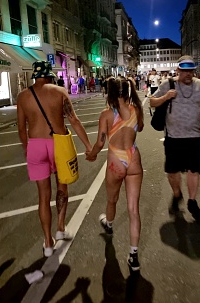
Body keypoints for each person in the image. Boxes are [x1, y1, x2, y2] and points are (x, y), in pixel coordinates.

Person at [17, 61, 92, 257]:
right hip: (58, 143)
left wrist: (28, 150)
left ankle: (48, 243)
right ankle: (60, 227)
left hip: (35, 145)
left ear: (34, 76)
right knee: (62, 186)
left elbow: (21, 130)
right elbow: (73, 120)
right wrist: (88, 145)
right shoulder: (59, 92)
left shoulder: (23, 96)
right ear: (50, 75)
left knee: (43, 196)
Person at [86, 77, 144, 271]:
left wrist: (92, 154)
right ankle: (134, 255)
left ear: (109, 93)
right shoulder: (137, 109)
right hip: (134, 158)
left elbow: (101, 142)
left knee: (112, 200)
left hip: (116, 162)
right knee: (133, 209)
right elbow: (140, 128)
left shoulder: (107, 114)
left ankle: (109, 224)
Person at [150, 55, 200, 216]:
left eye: (190, 71)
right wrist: (166, 97)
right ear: (178, 70)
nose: (188, 74)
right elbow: (152, 101)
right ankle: (177, 194)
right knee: (172, 172)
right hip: (173, 138)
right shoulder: (168, 84)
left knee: (194, 170)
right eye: (184, 71)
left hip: (194, 137)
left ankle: (192, 201)